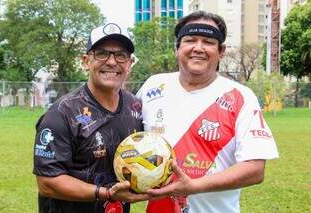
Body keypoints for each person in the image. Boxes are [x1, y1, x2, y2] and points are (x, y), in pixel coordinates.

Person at [136, 11, 279, 213]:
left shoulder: (241, 97)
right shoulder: (153, 87)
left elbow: (255, 170)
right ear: (177, 48)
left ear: (221, 50)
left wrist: (193, 187)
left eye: (208, 42)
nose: (198, 48)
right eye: (190, 40)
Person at [33, 23, 150, 213]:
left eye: (121, 55)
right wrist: (106, 193)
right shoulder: (62, 113)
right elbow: (48, 182)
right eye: (102, 53)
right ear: (86, 60)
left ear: (130, 63)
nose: (112, 62)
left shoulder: (135, 106)